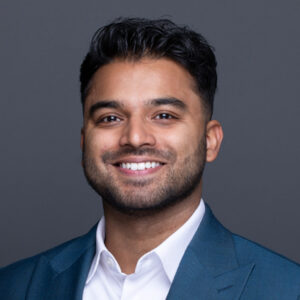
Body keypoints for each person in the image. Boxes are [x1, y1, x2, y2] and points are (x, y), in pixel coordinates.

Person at [0, 17, 299, 300]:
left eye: (164, 116)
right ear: (84, 142)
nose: (135, 137)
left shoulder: (287, 289)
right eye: (110, 118)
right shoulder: (14, 286)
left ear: (210, 141)